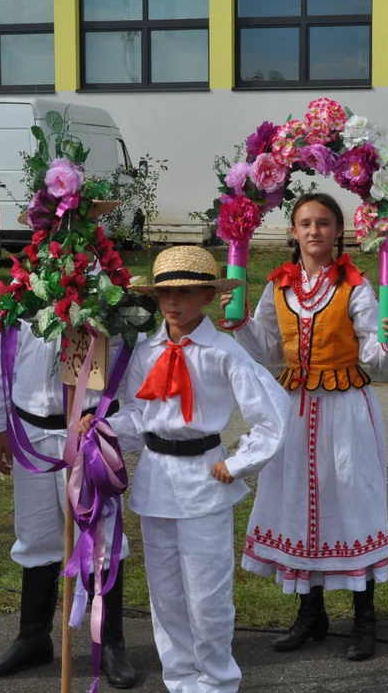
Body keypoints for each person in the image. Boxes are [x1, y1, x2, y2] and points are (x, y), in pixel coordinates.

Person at [78, 246, 289, 693]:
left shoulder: (223, 352)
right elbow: (138, 415)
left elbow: (272, 414)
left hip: (203, 480)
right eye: (164, 294)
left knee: (207, 594)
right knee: (167, 595)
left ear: (208, 296)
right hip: (157, 480)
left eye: (185, 293)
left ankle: (215, 681)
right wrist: (101, 430)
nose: (172, 303)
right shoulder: (146, 350)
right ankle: (179, 678)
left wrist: (238, 461)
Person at [219, 193, 388, 662]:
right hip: (295, 408)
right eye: (304, 223)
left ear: (339, 231)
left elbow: (377, 356)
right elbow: (267, 348)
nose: (313, 231)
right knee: (298, 500)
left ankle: (364, 616)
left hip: (345, 407)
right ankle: (311, 613)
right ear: (292, 232)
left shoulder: (355, 286)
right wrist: (239, 319)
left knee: (350, 497)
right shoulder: (278, 286)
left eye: (323, 223)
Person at [0, 323, 138, 687]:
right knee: (36, 535)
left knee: (99, 536)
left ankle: (110, 643)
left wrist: (112, 426)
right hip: (31, 432)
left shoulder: (109, 301)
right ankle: (33, 637)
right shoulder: (25, 299)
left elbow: (135, 365)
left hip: (89, 433)